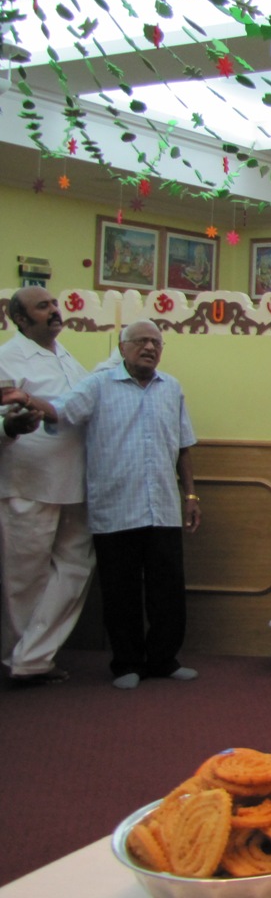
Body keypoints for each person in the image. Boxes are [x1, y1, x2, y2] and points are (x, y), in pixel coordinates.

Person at [30, 320, 200, 690]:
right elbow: (60, 412)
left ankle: (164, 660)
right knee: (120, 591)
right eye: (141, 341)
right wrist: (26, 401)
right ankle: (126, 664)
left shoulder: (171, 388)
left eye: (156, 342)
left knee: (167, 591)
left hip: (163, 508)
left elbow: (183, 446)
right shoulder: (98, 385)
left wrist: (190, 495)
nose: (150, 348)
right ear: (122, 348)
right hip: (115, 508)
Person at [0, 287, 95, 686]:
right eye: (44, 307)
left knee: (76, 568)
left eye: (55, 305)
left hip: (76, 482)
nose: (55, 312)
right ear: (20, 319)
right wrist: (10, 426)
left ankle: (29, 657)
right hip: (28, 482)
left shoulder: (68, 355)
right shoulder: (7, 358)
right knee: (25, 579)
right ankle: (24, 662)